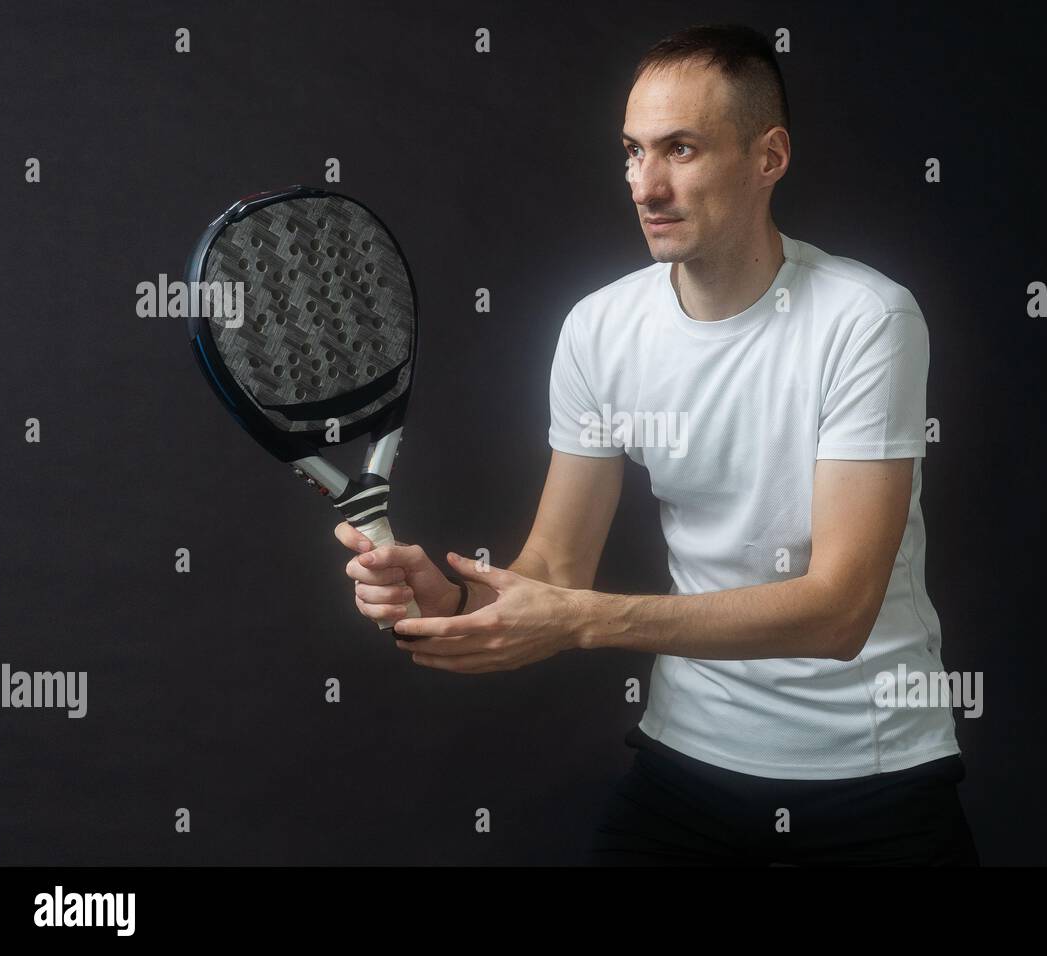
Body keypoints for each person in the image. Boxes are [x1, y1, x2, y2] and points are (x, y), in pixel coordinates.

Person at [336, 23, 978, 867]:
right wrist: (450, 604)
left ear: (768, 157)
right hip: (688, 765)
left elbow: (840, 610)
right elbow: (557, 572)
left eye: (681, 149)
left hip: (873, 776)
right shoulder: (601, 328)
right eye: (633, 152)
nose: (647, 184)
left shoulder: (868, 319)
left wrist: (582, 623)